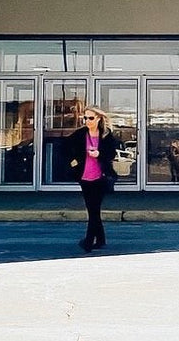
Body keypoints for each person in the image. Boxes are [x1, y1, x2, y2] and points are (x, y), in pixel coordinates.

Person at [65, 105, 121, 252]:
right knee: (93, 210)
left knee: (94, 209)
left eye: (91, 118)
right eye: (85, 118)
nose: (87, 121)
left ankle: (88, 242)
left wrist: (99, 154)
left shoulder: (106, 135)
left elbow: (111, 154)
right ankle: (101, 239)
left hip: (100, 177)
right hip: (84, 177)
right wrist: (73, 162)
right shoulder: (80, 134)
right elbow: (65, 147)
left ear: (98, 119)